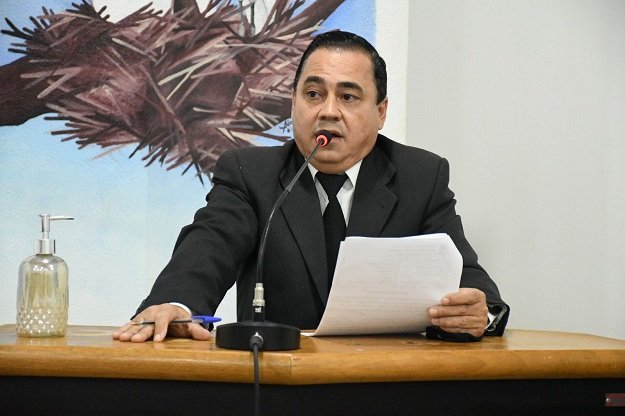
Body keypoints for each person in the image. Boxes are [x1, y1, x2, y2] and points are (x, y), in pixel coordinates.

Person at [113, 31, 509, 343]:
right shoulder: (251, 174)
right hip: (277, 384)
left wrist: (480, 314)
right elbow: (208, 247)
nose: (328, 111)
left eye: (348, 97)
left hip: (385, 386)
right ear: (293, 103)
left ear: (381, 112)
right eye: (314, 94)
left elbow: (470, 282)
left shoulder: (420, 176)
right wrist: (176, 304)